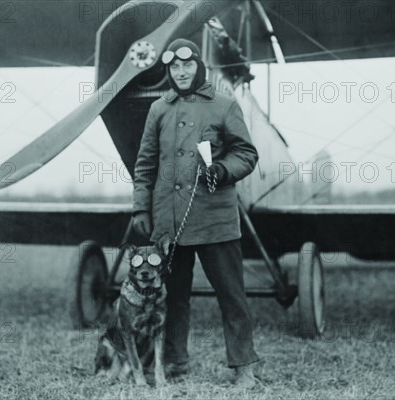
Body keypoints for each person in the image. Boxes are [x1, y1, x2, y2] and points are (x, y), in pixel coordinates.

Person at [132, 38, 259, 388]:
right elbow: (144, 165)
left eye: (187, 66)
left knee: (231, 294)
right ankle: (174, 361)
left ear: (198, 66)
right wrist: (141, 207)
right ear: (168, 71)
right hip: (168, 222)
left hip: (215, 218)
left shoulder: (223, 104)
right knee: (172, 295)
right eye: (174, 67)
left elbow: (247, 154)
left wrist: (221, 169)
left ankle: (244, 366)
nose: (181, 72)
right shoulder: (158, 109)